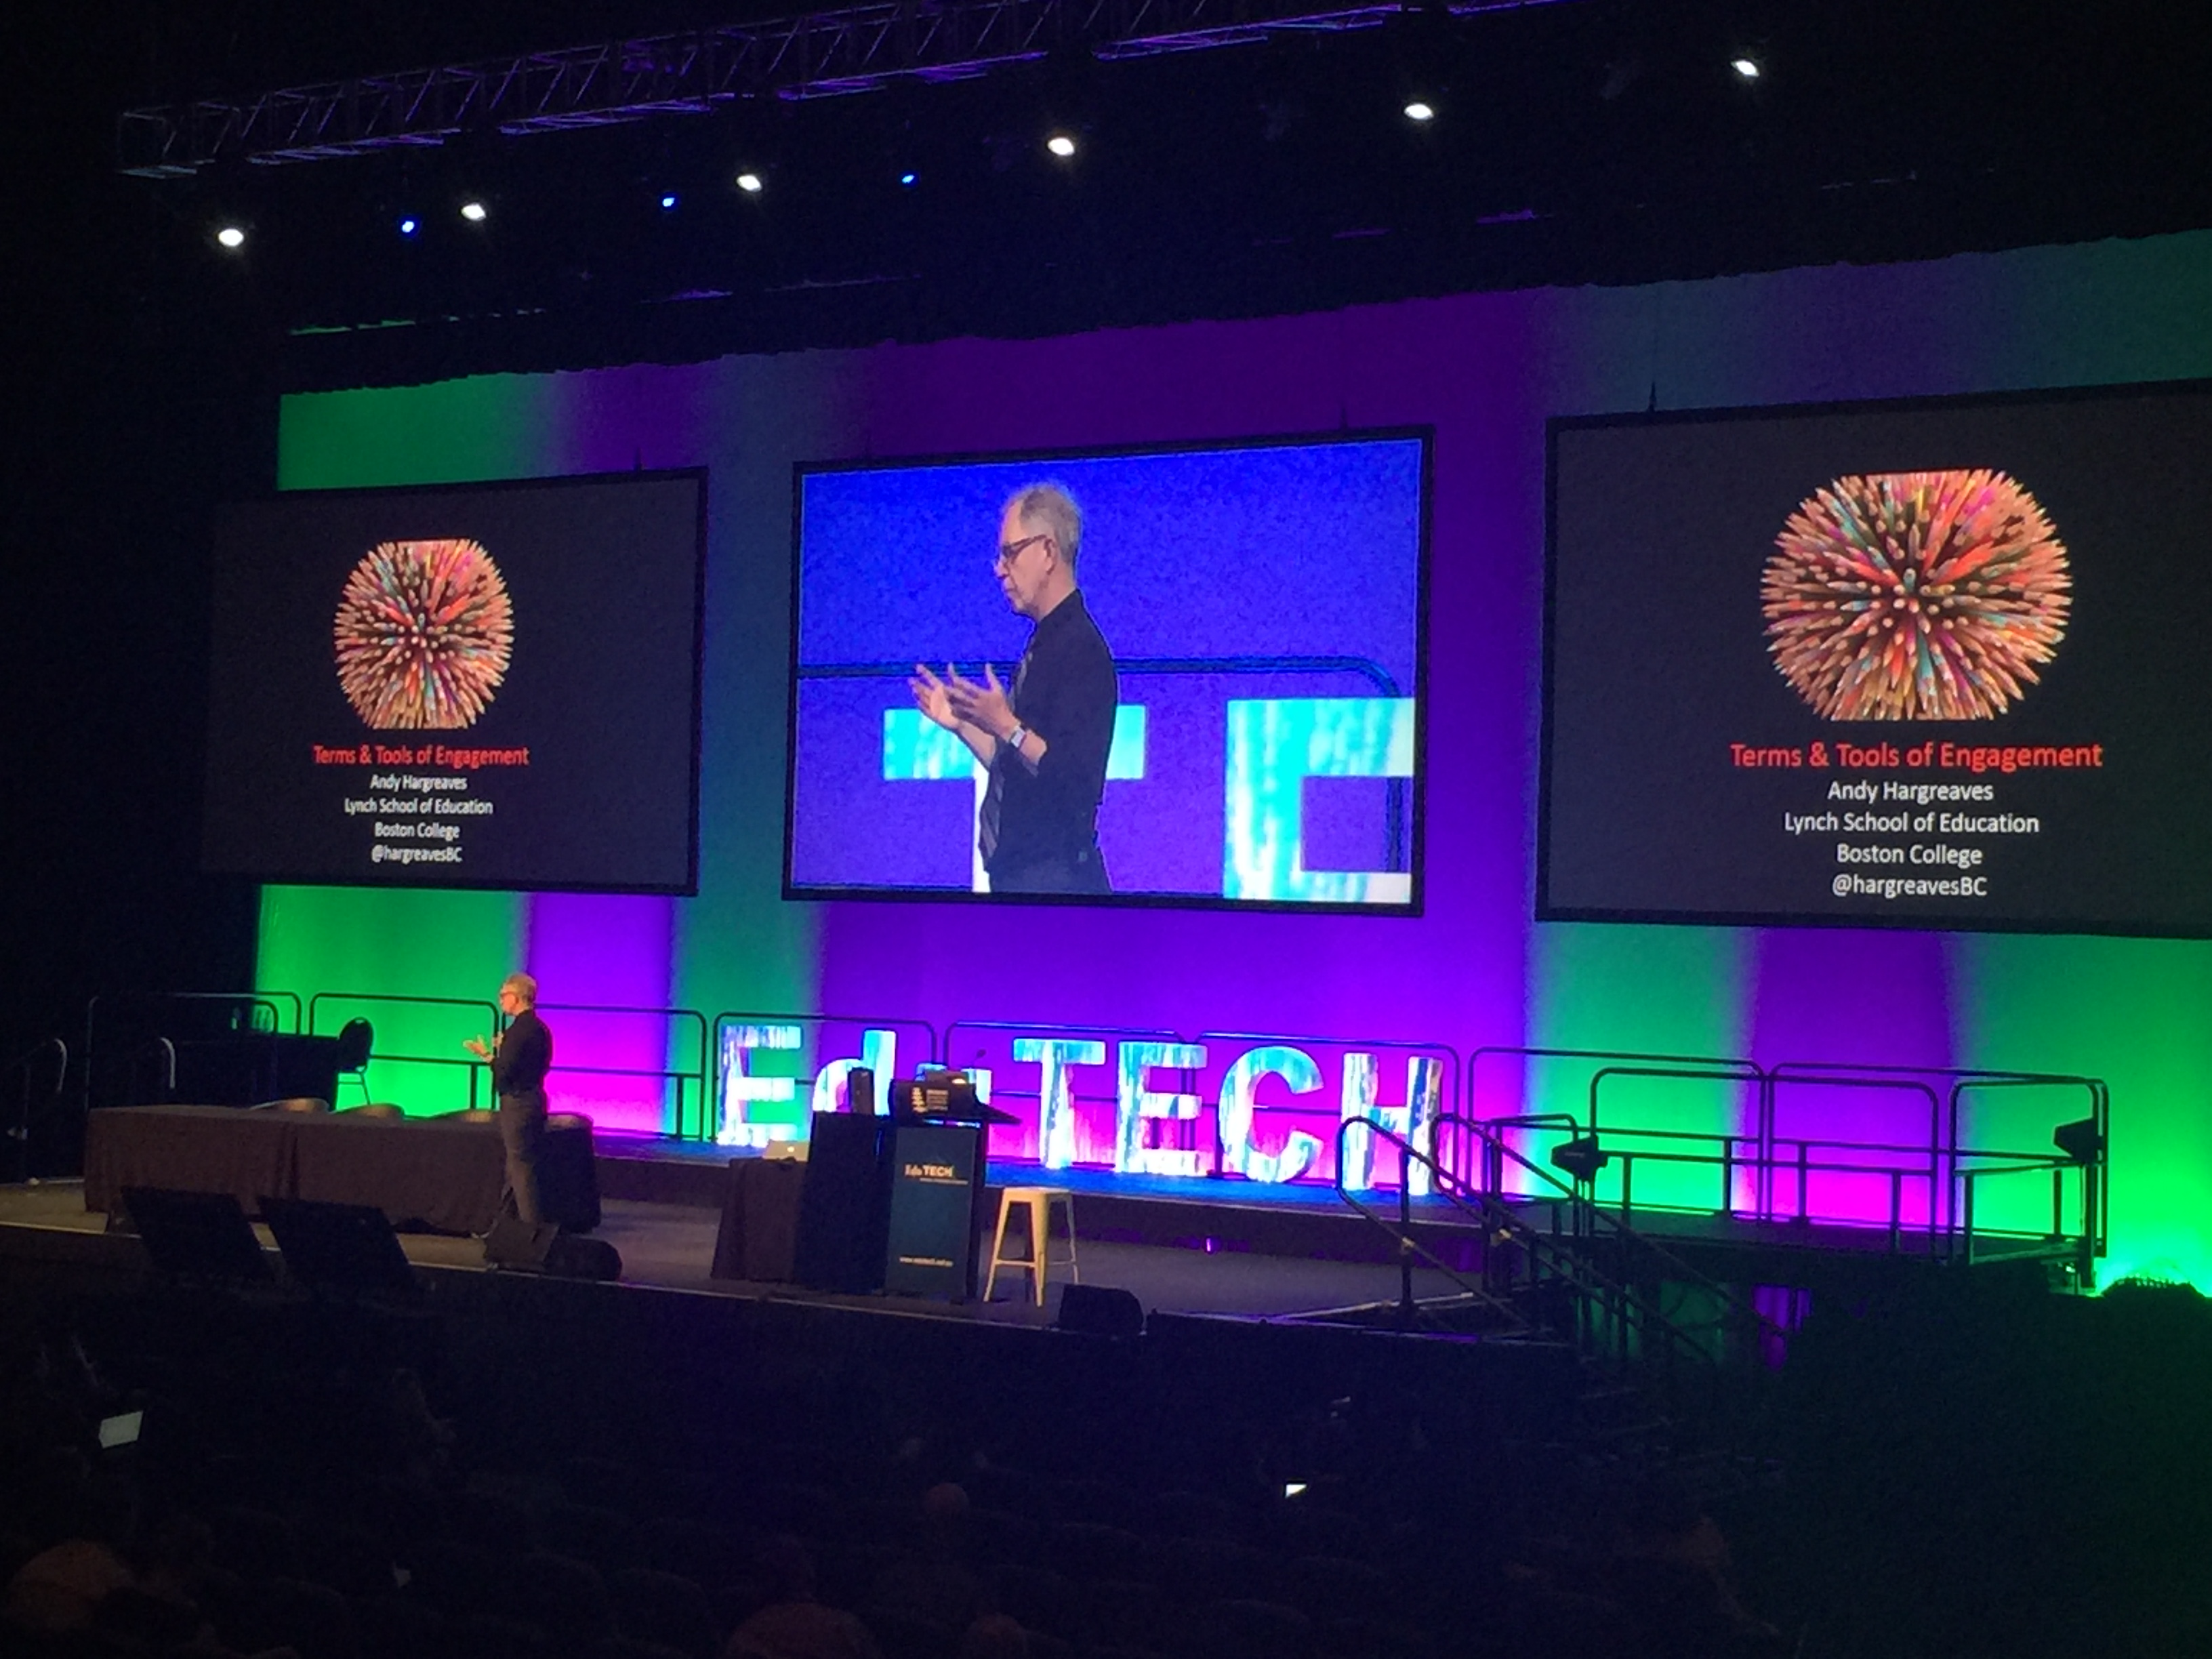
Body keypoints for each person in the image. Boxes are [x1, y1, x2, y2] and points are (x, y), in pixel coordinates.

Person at [910, 483, 1118, 895]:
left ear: (1047, 552)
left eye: (1010, 552)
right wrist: (963, 725)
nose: (999, 569)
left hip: (1056, 886)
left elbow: (1074, 782)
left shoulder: (1082, 651)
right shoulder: (1044, 644)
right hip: (1020, 880)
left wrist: (1008, 726)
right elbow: (1019, 772)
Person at [464, 972, 551, 1224]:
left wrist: (488, 1056)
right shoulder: (540, 1029)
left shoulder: (518, 1032)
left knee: (521, 1168)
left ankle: (530, 1228)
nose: (500, 1000)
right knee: (517, 1166)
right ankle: (505, 1226)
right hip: (535, 1098)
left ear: (516, 997)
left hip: (518, 1103)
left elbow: (505, 1072)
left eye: (503, 995)